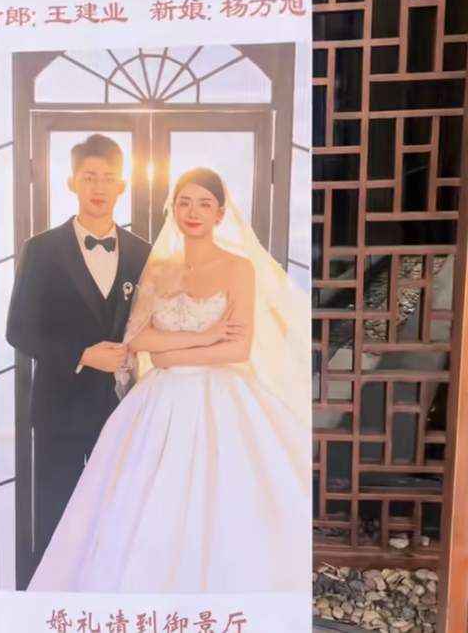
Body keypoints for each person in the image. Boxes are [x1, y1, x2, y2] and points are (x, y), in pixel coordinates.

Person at [26, 167, 312, 594]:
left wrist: (171, 355)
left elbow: (237, 348)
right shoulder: (158, 268)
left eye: (204, 204)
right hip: (157, 400)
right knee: (142, 501)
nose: (193, 212)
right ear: (173, 209)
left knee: (218, 502)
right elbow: (138, 338)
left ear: (220, 213)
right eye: (184, 203)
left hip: (221, 397)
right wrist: (204, 336)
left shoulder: (239, 268)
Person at [6, 134, 151, 568]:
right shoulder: (41, 249)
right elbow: (18, 329)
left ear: (122, 185)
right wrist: (84, 354)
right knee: (57, 515)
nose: (99, 187)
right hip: (59, 408)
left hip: (121, 409)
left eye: (108, 177)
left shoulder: (143, 253)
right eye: (89, 176)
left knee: (118, 515)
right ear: (71, 182)